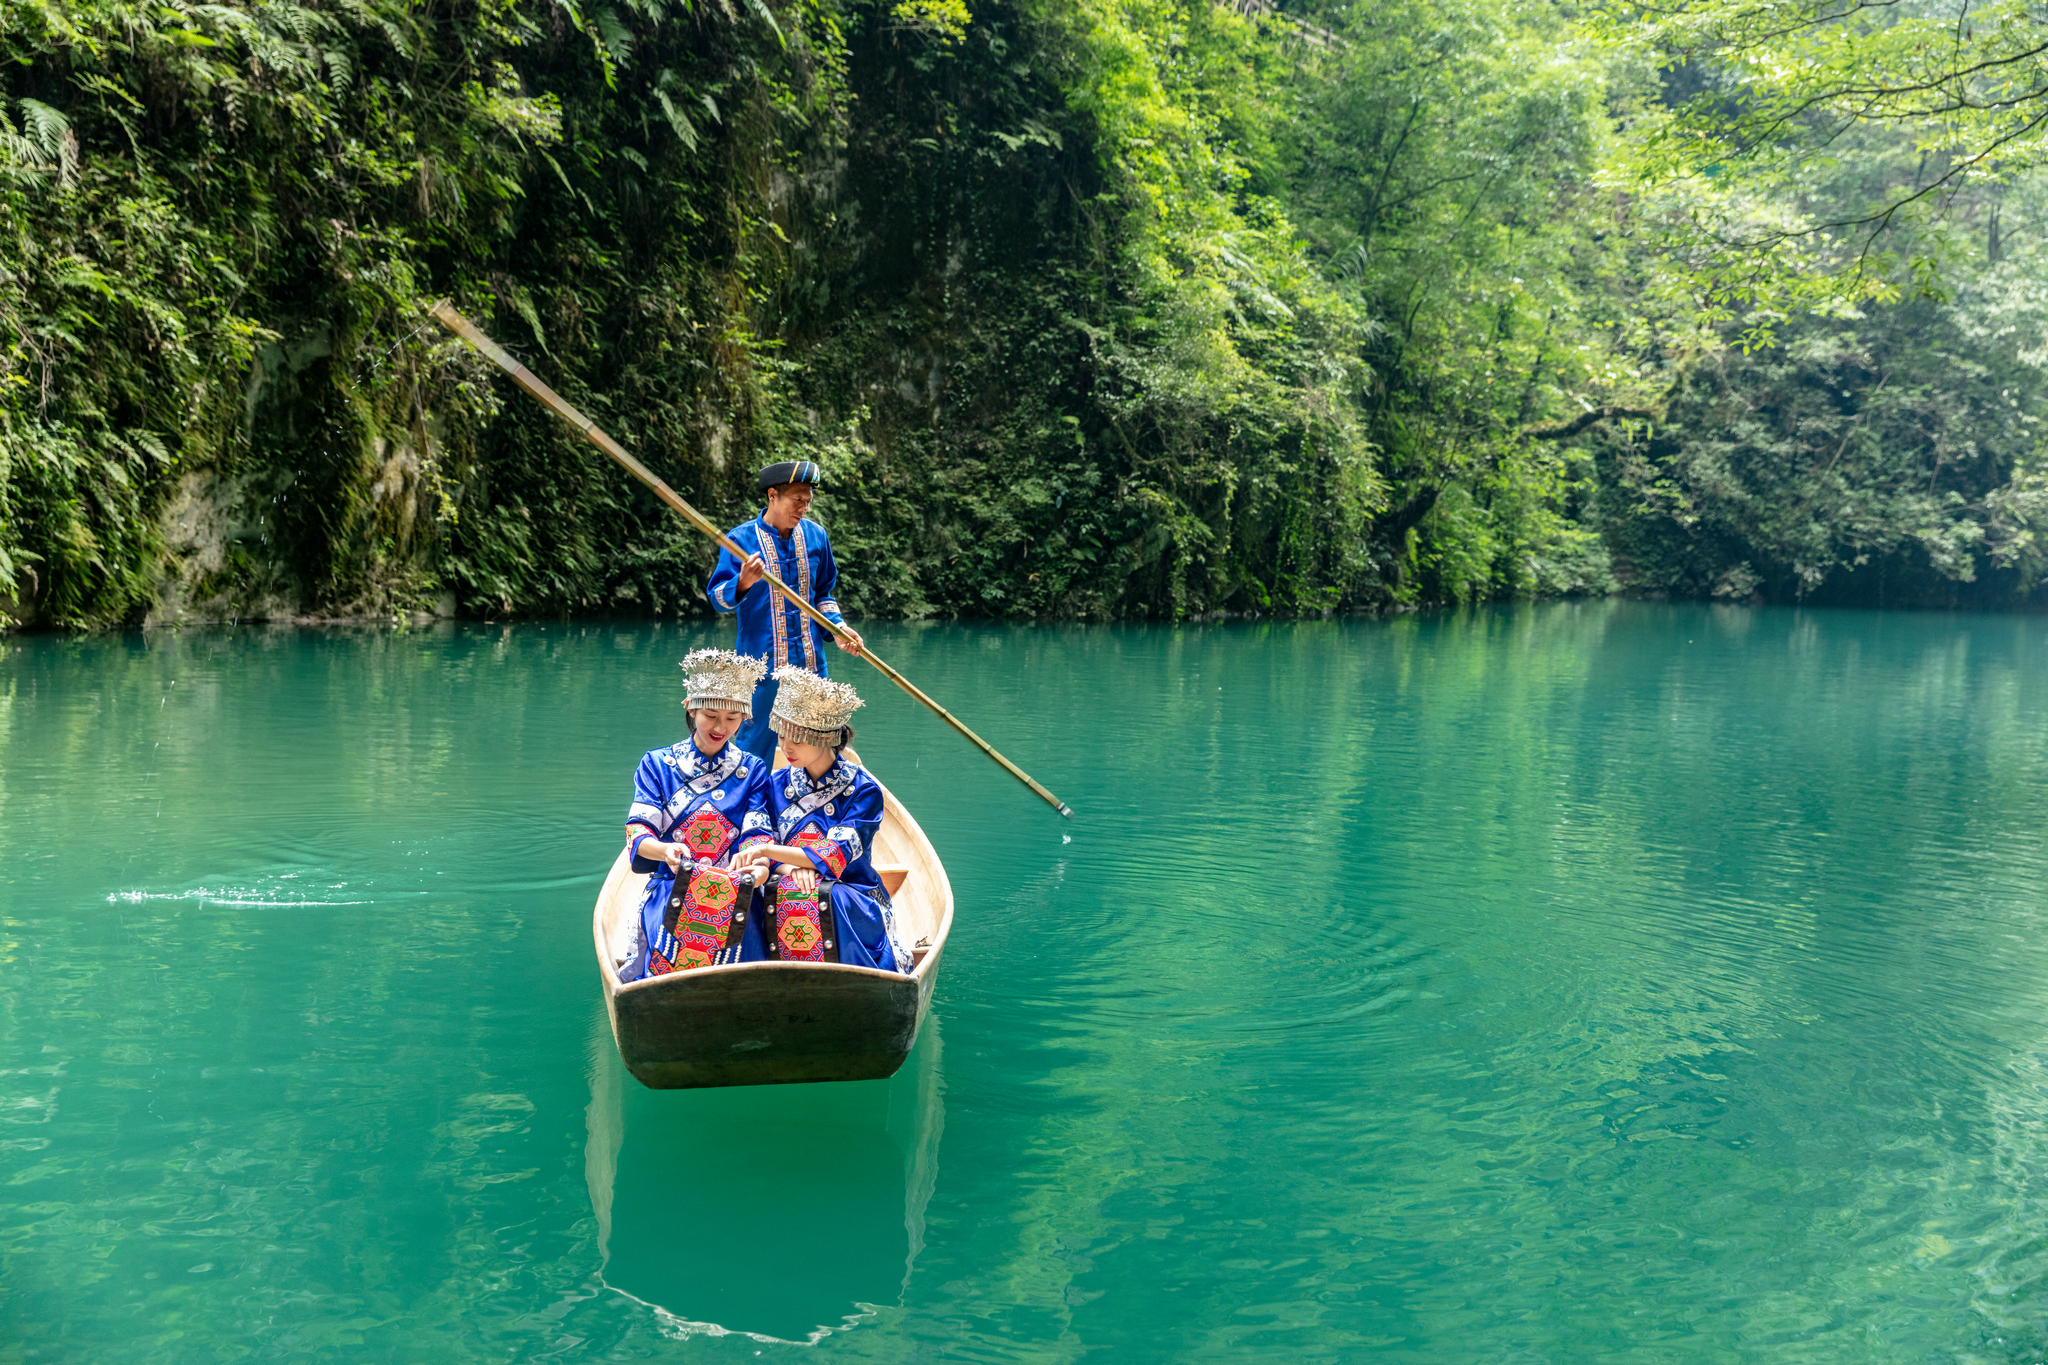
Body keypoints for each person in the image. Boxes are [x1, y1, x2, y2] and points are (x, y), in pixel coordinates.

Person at [615, 649, 778, 980]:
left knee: (746, 935)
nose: (721, 727)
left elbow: (757, 835)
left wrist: (759, 867)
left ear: (745, 718)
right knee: (667, 933)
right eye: (710, 716)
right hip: (672, 881)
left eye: (733, 718)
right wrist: (665, 851)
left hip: (736, 886)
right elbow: (637, 833)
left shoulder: (753, 769)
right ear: (690, 708)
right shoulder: (657, 765)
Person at [745, 666, 909, 972]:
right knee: (748, 893)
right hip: (784, 879)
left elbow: (833, 856)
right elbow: (755, 834)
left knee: (828, 896)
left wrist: (769, 852)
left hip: (849, 891)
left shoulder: (863, 790)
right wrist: (790, 866)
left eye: (798, 737)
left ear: (826, 736)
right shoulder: (773, 783)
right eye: (781, 735)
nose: (786, 747)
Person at [705, 460, 866, 761]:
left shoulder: (817, 536)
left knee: (823, 745)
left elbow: (823, 594)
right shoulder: (741, 540)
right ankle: (749, 804)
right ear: (772, 496)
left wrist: (838, 627)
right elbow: (717, 598)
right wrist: (742, 582)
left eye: (808, 501)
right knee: (753, 751)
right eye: (797, 499)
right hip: (760, 672)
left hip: (811, 668)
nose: (803, 507)